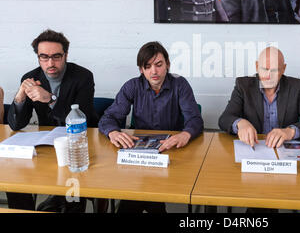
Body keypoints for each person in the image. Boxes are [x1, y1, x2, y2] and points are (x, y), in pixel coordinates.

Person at [99, 41, 203, 213]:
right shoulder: (132, 86)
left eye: (158, 65)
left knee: (144, 197)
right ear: (141, 69)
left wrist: (185, 134)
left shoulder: (180, 84)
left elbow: (195, 120)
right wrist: (113, 132)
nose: (153, 71)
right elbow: (109, 117)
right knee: (138, 198)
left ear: (167, 65)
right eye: (147, 66)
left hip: (171, 151)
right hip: (139, 150)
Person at [7, 29, 98, 212]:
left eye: (56, 56)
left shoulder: (83, 76)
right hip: (47, 145)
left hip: (79, 143)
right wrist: (19, 97)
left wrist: (50, 99)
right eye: (44, 57)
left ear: (65, 55)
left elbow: (83, 117)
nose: (50, 63)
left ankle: (65, 203)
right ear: (38, 58)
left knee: (74, 191)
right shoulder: (31, 78)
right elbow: (17, 124)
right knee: (15, 178)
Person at [219, 47, 300, 149]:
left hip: (283, 150)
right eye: (264, 69)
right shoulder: (243, 86)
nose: (268, 76)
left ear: (283, 69)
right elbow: (224, 119)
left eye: (275, 70)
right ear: (256, 66)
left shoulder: (296, 87)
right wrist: (240, 124)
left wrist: (290, 131)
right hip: (254, 147)